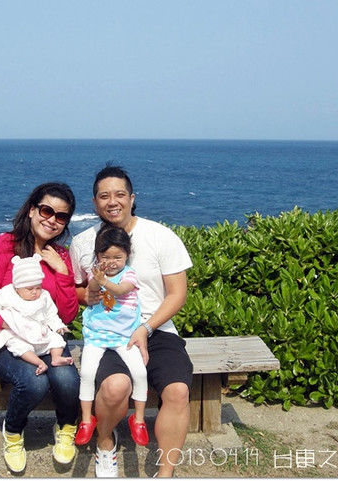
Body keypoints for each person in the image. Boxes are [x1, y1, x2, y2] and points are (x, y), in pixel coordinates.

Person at [70, 164, 193, 478]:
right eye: (104, 196)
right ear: (95, 202)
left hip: (156, 328)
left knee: (178, 391)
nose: (113, 201)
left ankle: (165, 473)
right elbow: (77, 290)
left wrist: (146, 328)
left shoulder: (159, 236)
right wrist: (90, 294)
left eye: (120, 194)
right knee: (115, 387)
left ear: (132, 198)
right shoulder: (82, 243)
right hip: (109, 332)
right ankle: (105, 441)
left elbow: (177, 294)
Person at [0, 182, 80, 474]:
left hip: (45, 338)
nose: (52, 220)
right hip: (4, 339)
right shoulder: (3, 246)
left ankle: (66, 429)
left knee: (67, 380)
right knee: (34, 382)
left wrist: (62, 272)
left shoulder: (59, 255)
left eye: (61, 216)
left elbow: (67, 314)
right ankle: (13, 431)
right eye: (47, 211)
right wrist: (16, 328)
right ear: (32, 210)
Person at [75, 224, 149, 448]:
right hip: (96, 335)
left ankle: (139, 419)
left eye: (118, 257)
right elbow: (92, 288)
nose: (112, 262)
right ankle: (86, 420)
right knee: (87, 373)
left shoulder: (129, 274)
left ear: (127, 255)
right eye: (105, 257)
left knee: (139, 373)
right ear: (97, 256)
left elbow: (120, 290)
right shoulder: (97, 273)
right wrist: (97, 277)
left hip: (124, 336)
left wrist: (104, 281)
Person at [0, 254, 74, 380]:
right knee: (18, 346)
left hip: (41, 332)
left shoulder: (44, 296)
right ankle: (38, 362)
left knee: (57, 339)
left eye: (38, 287)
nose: (35, 292)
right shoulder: (7, 294)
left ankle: (56, 357)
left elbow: (51, 313)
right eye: (29, 289)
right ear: (17, 287)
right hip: (19, 334)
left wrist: (58, 326)